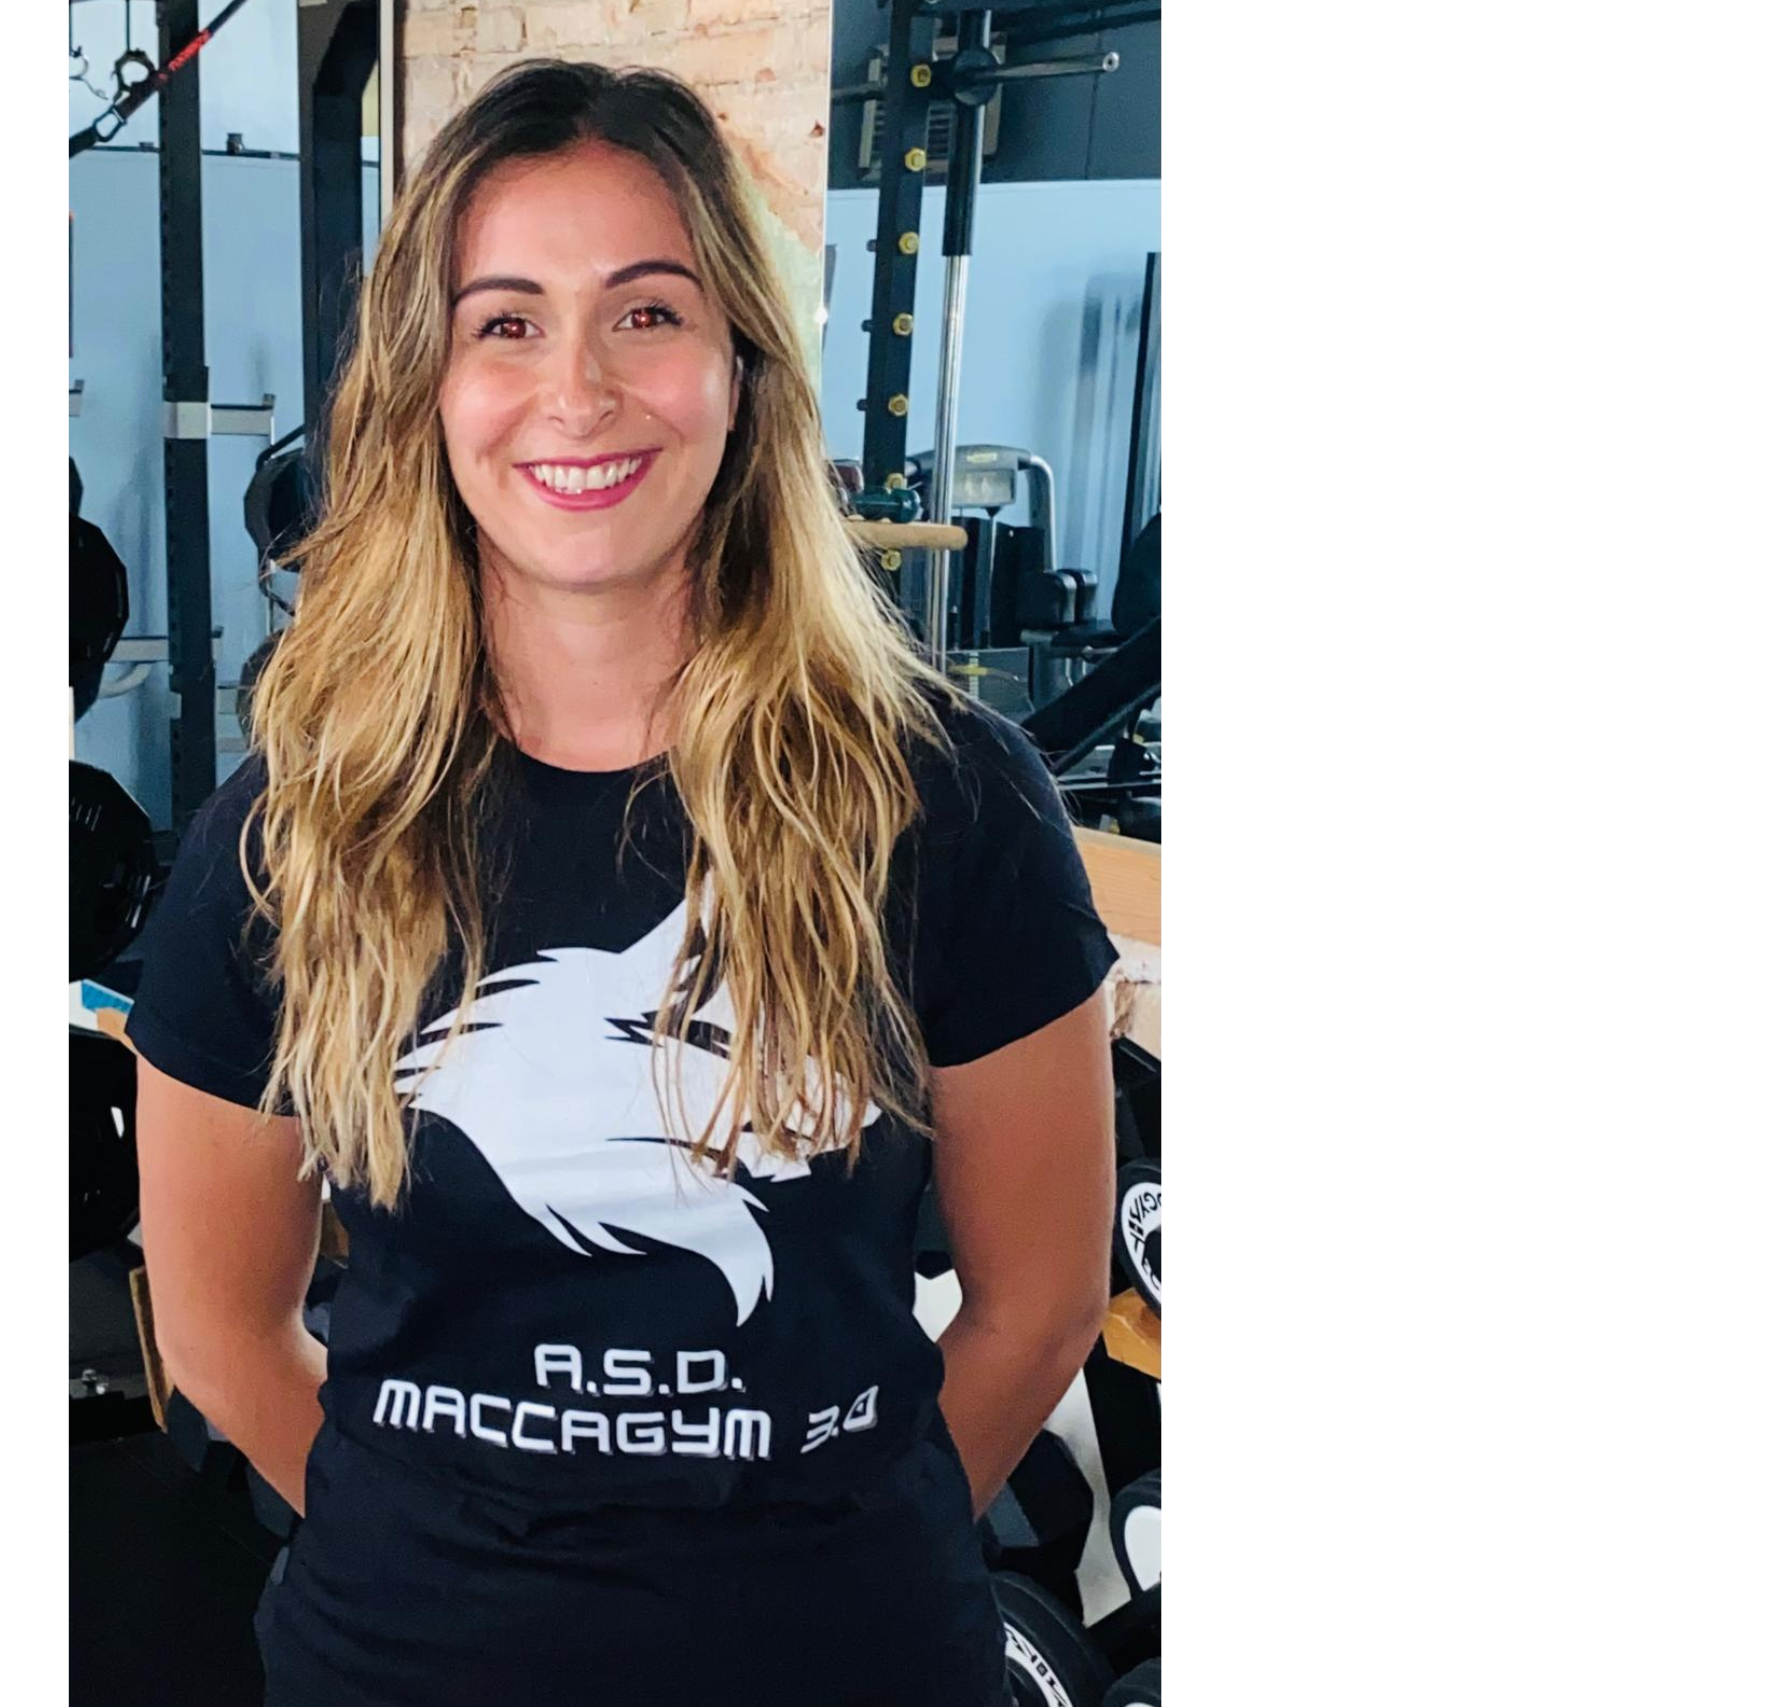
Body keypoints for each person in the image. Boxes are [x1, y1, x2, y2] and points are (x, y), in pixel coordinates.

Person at [128, 57, 1119, 1707]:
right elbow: (222, 1334)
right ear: (427, 387)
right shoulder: (293, 832)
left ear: (741, 366)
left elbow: (1044, 1302)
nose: (577, 391)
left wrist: (823, 1554)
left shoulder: (947, 803)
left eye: (647, 313)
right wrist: (444, 1560)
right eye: (506, 323)